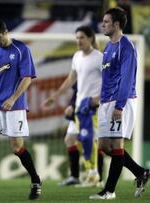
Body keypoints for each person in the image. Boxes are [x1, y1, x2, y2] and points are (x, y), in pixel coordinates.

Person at [89, 7, 150, 200]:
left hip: (120, 101)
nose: (103, 25)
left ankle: (109, 191)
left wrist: (120, 105)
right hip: (106, 101)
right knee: (105, 146)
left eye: (106, 22)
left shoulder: (127, 47)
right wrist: (100, 99)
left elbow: (126, 79)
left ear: (116, 24)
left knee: (117, 144)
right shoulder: (108, 47)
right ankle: (140, 172)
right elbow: (107, 79)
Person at [0, 19, 41, 201]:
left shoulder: (21, 50)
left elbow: (27, 78)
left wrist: (12, 98)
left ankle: (35, 180)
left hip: (14, 106)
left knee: (16, 147)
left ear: (5, 32)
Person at [43, 26, 103, 188]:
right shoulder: (77, 56)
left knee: (89, 140)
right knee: (70, 138)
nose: (78, 41)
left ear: (90, 38)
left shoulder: (100, 58)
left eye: (82, 37)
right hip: (78, 107)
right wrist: (55, 97)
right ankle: (77, 176)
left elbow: (110, 82)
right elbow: (71, 80)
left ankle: (95, 176)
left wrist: (98, 99)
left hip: (92, 108)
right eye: (77, 38)